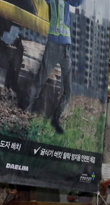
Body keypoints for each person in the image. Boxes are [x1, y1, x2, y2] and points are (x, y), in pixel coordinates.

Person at [28, 0, 83, 134]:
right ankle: (30, 109)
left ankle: (55, 119)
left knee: (67, 90)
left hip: (66, 49)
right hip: (53, 46)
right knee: (39, 80)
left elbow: (77, 3)